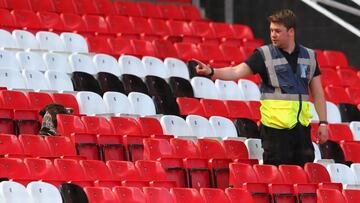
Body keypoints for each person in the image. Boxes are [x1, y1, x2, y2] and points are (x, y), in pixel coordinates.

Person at [194, 9, 328, 167]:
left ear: (291, 31)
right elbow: (236, 71)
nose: (273, 35)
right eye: (271, 30)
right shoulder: (263, 55)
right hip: (274, 131)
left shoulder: (309, 56)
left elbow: (318, 93)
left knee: (302, 177)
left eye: (277, 31)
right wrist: (212, 71)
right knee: (278, 179)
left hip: (301, 130)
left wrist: (323, 123)